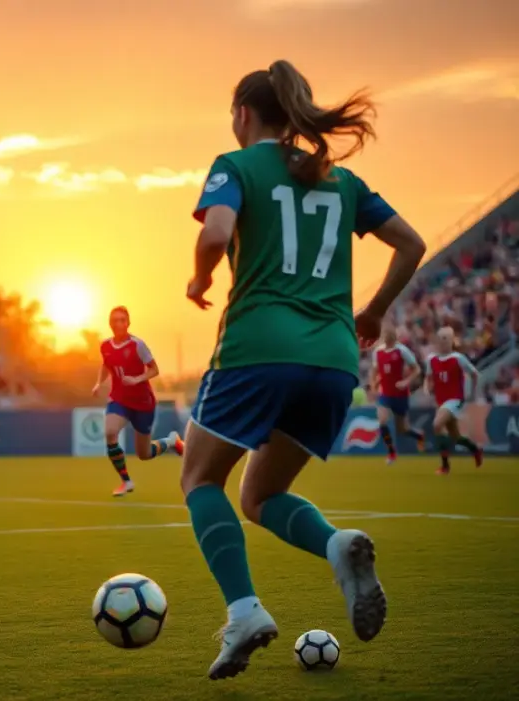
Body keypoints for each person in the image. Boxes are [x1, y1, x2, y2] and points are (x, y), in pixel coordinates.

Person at [181, 60, 427, 680]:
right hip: (333, 359)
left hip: (258, 348)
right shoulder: (340, 179)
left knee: (200, 479)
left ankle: (243, 611)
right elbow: (412, 244)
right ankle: (336, 545)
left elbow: (215, 233)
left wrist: (201, 277)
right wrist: (371, 312)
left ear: (242, 114)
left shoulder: (234, 166)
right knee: (260, 494)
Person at [91, 306, 183, 497]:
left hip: (143, 403)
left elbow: (154, 369)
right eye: (115, 320)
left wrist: (137, 379)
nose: (119, 324)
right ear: (110, 324)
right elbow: (105, 365)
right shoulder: (105, 346)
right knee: (110, 432)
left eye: (122, 320)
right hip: (119, 400)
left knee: (145, 454)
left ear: (128, 323)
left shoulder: (137, 345)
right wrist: (98, 383)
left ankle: (172, 441)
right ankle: (126, 482)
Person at [425, 326, 483, 474]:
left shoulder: (458, 358)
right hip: (441, 401)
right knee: (456, 437)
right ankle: (475, 449)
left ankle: (445, 466)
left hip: (455, 399)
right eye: (441, 338)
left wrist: (472, 393)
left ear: (452, 341)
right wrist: (427, 388)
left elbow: (475, 374)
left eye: (446, 339)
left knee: (437, 424)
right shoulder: (431, 359)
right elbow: (428, 378)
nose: (443, 342)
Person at [370, 325, 425, 463]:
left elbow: (416, 369)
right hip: (386, 394)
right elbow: (375, 371)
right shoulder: (378, 352)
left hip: (400, 394)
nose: (388, 337)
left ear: (394, 336)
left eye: (390, 334)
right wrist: (373, 385)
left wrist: (407, 381)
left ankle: (419, 436)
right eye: (385, 334)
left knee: (403, 429)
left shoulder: (402, 350)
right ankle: (391, 452)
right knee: (382, 421)